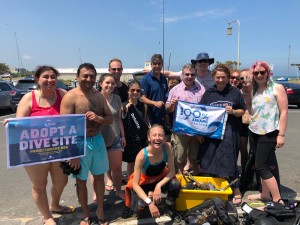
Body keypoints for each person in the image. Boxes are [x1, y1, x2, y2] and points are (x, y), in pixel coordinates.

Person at [6, 66, 72, 225]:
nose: (50, 80)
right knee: (39, 185)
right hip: (34, 150)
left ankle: (55, 204)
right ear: (37, 79)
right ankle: (47, 216)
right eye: (45, 77)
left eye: (53, 77)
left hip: (59, 149)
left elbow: (77, 104)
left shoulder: (63, 95)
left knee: (61, 182)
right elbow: (19, 123)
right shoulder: (29, 98)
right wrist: (13, 124)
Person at [60, 63, 113, 225]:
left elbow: (110, 119)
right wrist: (73, 153)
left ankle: (100, 210)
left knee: (99, 178)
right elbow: (64, 127)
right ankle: (85, 213)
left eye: (91, 76)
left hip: (97, 140)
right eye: (85, 76)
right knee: (81, 181)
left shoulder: (98, 96)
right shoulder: (70, 96)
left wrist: (98, 118)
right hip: (78, 142)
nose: (88, 79)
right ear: (77, 77)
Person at [197, 64, 246, 206]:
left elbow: (243, 110)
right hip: (212, 132)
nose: (220, 80)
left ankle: (236, 189)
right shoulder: (209, 93)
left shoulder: (235, 92)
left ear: (228, 78)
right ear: (213, 77)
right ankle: (215, 189)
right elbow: (201, 113)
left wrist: (234, 112)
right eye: (218, 77)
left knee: (229, 159)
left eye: (223, 77)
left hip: (230, 131)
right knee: (211, 158)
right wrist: (199, 132)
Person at [244, 61, 288, 203]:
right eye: (256, 72)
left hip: (269, 132)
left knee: (261, 166)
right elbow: (252, 110)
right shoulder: (254, 90)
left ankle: (277, 200)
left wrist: (281, 135)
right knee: (261, 164)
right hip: (254, 131)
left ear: (268, 73)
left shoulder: (277, 87)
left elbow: (284, 112)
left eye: (262, 72)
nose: (259, 75)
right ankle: (265, 194)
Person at [123, 125, 181, 218]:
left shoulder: (167, 147)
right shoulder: (142, 155)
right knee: (138, 208)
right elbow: (135, 185)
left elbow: (172, 172)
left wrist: (158, 186)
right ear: (149, 138)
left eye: (160, 135)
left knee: (175, 184)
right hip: (144, 183)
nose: (157, 138)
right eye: (154, 135)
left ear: (164, 137)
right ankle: (147, 199)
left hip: (159, 179)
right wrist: (149, 203)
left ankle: (168, 207)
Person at [166, 63, 206, 175]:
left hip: (196, 131)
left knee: (194, 157)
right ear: (182, 75)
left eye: (192, 74)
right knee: (179, 157)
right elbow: (167, 109)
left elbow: (206, 110)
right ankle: (180, 178)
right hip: (180, 131)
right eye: (187, 74)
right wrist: (172, 105)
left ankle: (197, 176)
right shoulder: (174, 90)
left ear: (195, 75)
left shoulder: (201, 89)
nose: (189, 77)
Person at [99, 73, 126, 199]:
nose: (110, 85)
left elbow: (119, 119)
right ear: (100, 84)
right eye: (107, 83)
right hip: (98, 138)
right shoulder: (95, 98)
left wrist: (123, 136)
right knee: (97, 171)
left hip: (115, 137)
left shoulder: (117, 99)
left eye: (112, 83)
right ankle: (96, 193)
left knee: (117, 168)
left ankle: (119, 190)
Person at [122, 80, 149, 177]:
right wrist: (126, 110)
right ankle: (131, 182)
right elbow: (121, 121)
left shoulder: (144, 106)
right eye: (132, 90)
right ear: (128, 91)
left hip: (142, 138)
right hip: (129, 139)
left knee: (142, 162)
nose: (135, 92)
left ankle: (140, 181)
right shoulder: (123, 106)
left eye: (138, 91)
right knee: (131, 163)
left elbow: (146, 122)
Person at [140, 54, 168, 127]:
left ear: (162, 64)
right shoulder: (145, 79)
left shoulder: (164, 78)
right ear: (151, 65)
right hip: (151, 117)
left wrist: (166, 114)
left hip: (162, 117)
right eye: (155, 64)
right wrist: (154, 103)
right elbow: (142, 98)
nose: (157, 66)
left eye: (159, 63)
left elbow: (165, 97)